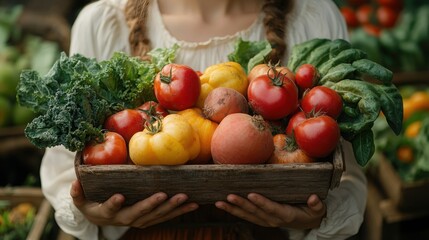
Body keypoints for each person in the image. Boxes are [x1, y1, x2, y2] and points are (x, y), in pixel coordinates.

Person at [40, 0, 368, 239]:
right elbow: (62, 169)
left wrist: (316, 217)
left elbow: (347, 175)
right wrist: (90, 212)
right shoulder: (101, 22)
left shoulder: (313, 18)